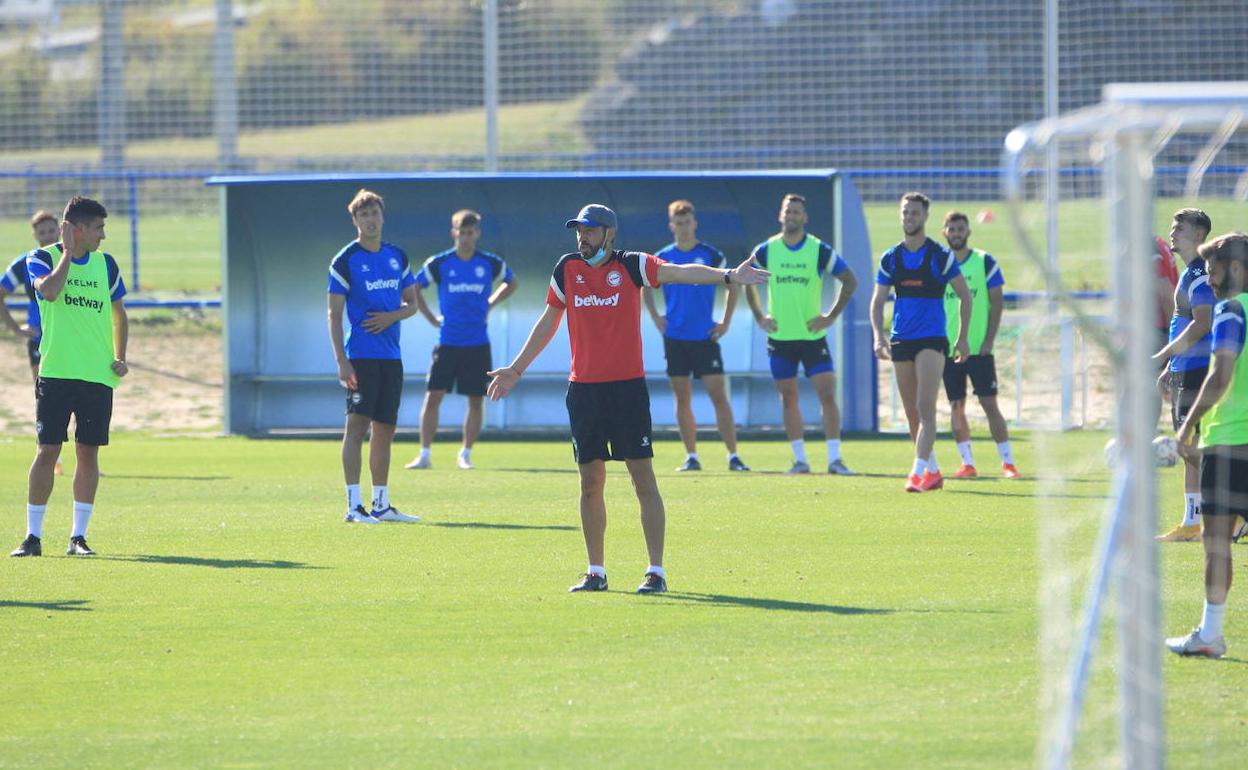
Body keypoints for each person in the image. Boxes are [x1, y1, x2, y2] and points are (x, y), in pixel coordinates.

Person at [486, 204, 768, 594]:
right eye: (578, 230)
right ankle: (595, 572)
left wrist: (727, 275)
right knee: (590, 483)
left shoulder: (632, 265)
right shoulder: (566, 268)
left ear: (610, 233)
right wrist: (516, 369)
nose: (582, 237)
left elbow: (678, 272)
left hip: (627, 390)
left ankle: (656, 572)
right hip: (583, 391)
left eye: (589, 230)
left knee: (642, 479)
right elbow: (549, 320)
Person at [10, 197, 128, 558]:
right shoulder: (42, 258)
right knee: (47, 451)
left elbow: (119, 313)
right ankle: (32, 537)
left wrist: (120, 356)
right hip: (56, 373)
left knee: (87, 453)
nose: (103, 235)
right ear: (76, 229)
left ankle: (78, 537)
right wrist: (67, 253)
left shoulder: (107, 264)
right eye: (98, 228)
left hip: (96, 376)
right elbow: (48, 291)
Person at [1168, 232, 1248, 658]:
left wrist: (1186, 429)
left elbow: (1220, 376)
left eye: (1214, 271)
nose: (1210, 280)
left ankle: (1210, 635)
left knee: (1216, 543)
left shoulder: (1231, 310)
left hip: (1230, 444)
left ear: (1235, 268)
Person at [744, 193, 859, 475]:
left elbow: (849, 280)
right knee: (788, 398)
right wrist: (760, 316)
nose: (791, 216)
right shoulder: (767, 250)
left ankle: (835, 459)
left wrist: (830, 316)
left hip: (812, 337)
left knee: (827, 395)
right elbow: (744, 278)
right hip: (780, 338)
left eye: (797, 212)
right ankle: (800, 461)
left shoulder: (818, 250)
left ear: (805, 217)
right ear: (780, 215)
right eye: (788, 211)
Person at [327, 189, 420, 524]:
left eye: (374, 213)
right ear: (355, 220)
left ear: (383, 216)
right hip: (360, 357)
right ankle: (354, 506)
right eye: (363, 214)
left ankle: (381, 503)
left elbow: (412, 304)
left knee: (385, 429)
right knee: (356, 428)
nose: (370, 220)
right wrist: (342, 360)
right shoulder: (345, 260)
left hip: (391, 357)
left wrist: (390, 317)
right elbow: (334, 315)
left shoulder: (397, 256)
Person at [869, 192, 972, 492]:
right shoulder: (891, 257)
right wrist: (878, 336)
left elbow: (965, 296)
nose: (909, 217)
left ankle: (915, 474)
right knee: (912, 413)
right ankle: (933, 471)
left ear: (925, 217)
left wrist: (962, 337)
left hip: (932, 339)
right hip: (902, 339)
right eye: (905, 212)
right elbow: (877, 301)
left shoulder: (940, 256)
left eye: (915, 213)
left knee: (925, 407)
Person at [405, 209, 517, 470]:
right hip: (447, 342)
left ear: (477, 233)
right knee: (433, 396)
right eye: (461, 232)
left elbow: (512, 282)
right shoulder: (440, 263)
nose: (466, 237)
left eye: (470, 232)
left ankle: (465, 454)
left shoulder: (488, 263)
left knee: (476, 399)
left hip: (477, 343)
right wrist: (431, 318)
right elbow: (414, 287)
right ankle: (424, 454)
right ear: (453, 233)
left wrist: (490, 303)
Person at [643, 199, 749, 472]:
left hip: (705, 336)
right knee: (682, 398)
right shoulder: (662, 257)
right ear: (671, 226)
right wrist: (656, 317)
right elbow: (645, 286)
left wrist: (725, 322)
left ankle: (733, 456)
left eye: (687, 222)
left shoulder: (711, 255)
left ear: (695, 223)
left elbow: (733, 284)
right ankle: (691, 456)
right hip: (675, 337)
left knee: (718, 396)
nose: (684, 227)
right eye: (679, 223)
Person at [939, 211, 1020, 479]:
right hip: (949, 350)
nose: (956, 234)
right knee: (956, 406)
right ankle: (967, 463)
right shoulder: (939, 264)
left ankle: (1008, 463)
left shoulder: (984, 261)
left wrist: (988, 340)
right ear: (944, 233)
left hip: (979, 350)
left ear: (968, 232)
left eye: (960, 229)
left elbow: (997, 302)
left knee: (989, 403)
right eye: (952, 229)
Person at [1153, 208, 1213, 542]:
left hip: (1197, 369)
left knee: (1195, 448)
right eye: (1173, 226)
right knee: (1189, 448)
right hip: (1183, 369)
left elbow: (1202, 323)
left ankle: (1230, 513)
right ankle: (1192, 521)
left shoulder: (1201, 272)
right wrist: (1170, 367)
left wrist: (1165, 353)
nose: (1172, 232)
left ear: (1199, 235)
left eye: (1180, 228)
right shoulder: (1190, 271)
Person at [2, 211, 64, 475]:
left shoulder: (70, 258)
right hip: (40, 339)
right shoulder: (27, 262)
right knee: (45, 396)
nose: (48, 236)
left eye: (51, 230)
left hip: (68, 339)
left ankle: (85, 455)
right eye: (42, 232)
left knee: (79, 395)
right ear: (35, 235)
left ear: (60, 230)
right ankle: (50, 458)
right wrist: (15, 328)